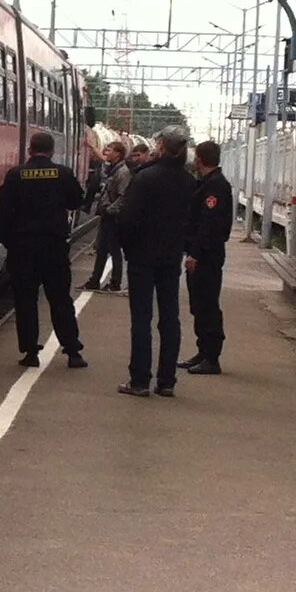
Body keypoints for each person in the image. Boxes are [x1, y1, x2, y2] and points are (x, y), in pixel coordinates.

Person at [0, 131, 88, 370]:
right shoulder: (63, 173)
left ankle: (30, 352)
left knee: (25, 300)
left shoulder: (15, 175)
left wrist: (7, 241)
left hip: (23, 247)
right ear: (52, 151)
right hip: (54, 247)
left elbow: (3, 211)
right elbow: (77, 201)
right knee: (60, 299)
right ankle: (73, 351)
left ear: (30, 150)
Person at [112, 127, 193, 398]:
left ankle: (140, 380)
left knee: (142, 318)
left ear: (160, 145)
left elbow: (127, 218)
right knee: (170, 318)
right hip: (171, 259)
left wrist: (129, 248)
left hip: (142, 259)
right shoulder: (188, 181)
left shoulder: (146, 177)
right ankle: (167, 381)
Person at [182, 138, 234, 376]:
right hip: (203, 253)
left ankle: (212, 358)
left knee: (207, 305)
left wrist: (194, 253)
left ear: (199, 159)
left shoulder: (215, 186)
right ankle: (203, 352)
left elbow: (208, 224)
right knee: (199, 305)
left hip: (206, 255)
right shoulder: (209, 183)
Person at [88, 140, 130, 290]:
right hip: (108, 216)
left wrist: (109, 210)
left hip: (113, 217)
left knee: (113, 250)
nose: (106, 152)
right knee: (101, 249)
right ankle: (94, 281)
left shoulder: (122, 172)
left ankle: (115, 283)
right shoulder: (113, 169)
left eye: (110, 150)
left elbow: (123, 196)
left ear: (118, 154)